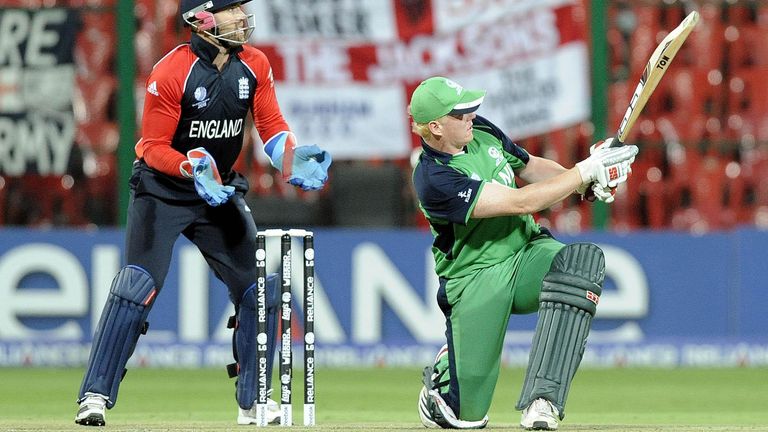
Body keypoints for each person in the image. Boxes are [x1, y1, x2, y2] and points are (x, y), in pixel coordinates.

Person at [74, 0, 331, 426]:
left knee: (258, 290)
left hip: (219, 191)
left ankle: (253, 399)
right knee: (135, 286)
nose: (241, 18)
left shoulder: (255, 64)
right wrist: (191, 169)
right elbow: (153, 147)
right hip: (163, 191)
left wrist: (289, 157)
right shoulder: (171, 71)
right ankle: (95, 396)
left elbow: (271, 126)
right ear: (202, 19)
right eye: (231, 10)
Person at [410, 77, 636, 430]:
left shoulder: (480, 130)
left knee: (580, 264)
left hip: (525, 251)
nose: (471, 115)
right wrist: (584, 172)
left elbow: (528, 167)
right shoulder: (434, 179)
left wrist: (587, 184)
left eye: (470, 108)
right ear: (436, 127)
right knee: (465, 419)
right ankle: (447, 375)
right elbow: (520, 201)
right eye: (460, 114)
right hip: (475, 279)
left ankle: (543, 400)